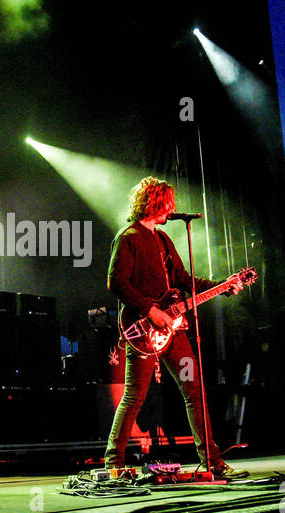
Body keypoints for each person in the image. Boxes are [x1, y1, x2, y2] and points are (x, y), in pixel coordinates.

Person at [104, 177, 250, 479]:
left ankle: (212, 462)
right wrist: (151, 310)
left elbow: (185, 281)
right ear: (154, 203)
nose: (172, 209)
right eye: (167, 202)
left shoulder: (163, 240)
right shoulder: (128, 237)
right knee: (135, 395)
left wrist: (223, 286)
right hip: (142, 331)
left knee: (194, 391)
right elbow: (116, 282)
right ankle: (113, 463)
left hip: (173, 332)